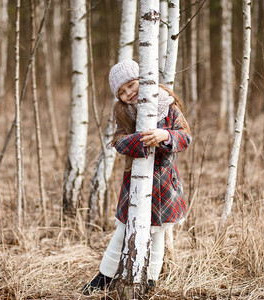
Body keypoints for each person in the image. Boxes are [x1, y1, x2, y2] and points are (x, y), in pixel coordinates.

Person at [82, 60, 192, 295]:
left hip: (164, 183)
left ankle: (150, 279)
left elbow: (185, 137)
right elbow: (119, 142)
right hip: (134, 182)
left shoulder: (167, 104)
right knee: (123, 229)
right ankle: (104, 275)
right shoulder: (123, 112)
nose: (129, 93)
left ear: (144, 80)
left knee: (158, 231)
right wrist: (140, 140)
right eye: (122, 92)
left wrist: (164, 135)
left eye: (132, 85)